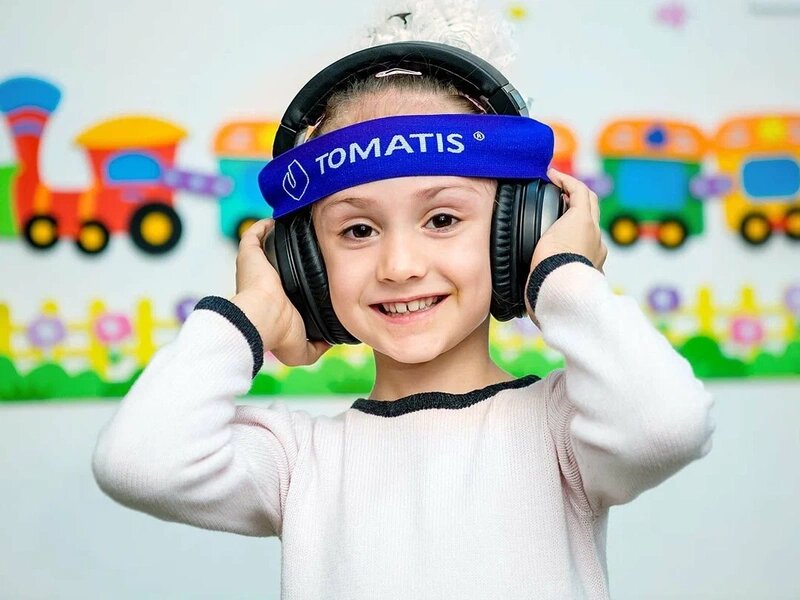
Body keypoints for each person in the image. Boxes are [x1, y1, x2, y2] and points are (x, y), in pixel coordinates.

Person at [92, 5, 714, 598]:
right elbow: (140, 463)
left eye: (442, 219)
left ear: (518, 233)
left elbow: (667, 426)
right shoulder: (300, 463)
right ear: (306, 265)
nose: (399, 266)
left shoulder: (562, 433)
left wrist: (563, 277)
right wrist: (252, 313)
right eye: (358, 230)